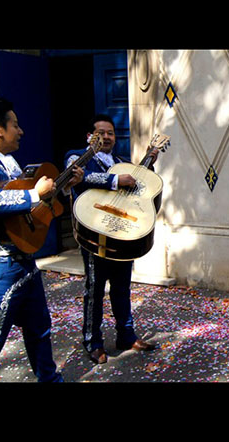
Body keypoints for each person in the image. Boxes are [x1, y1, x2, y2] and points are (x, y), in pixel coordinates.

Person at [0, 98, 83, 382]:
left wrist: (65, 186)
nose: (21, 131)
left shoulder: (9, 161)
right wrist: (32, 194)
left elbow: (29, 209)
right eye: (15, 124)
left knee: (40, 331)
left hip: (26, 261)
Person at [65, 114, 157, 364]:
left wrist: (148, 165)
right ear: (89, 136)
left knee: (121, 288)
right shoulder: (77, 156)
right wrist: (115, 180)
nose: (107, 137)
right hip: (94, 234)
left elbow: (139, 189)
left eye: (111, 133)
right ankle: (92, 341)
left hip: (121, 233)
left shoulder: (122, 162)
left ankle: (126, 335)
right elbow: (78, 177)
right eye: (101, 132)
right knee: (94, 290)